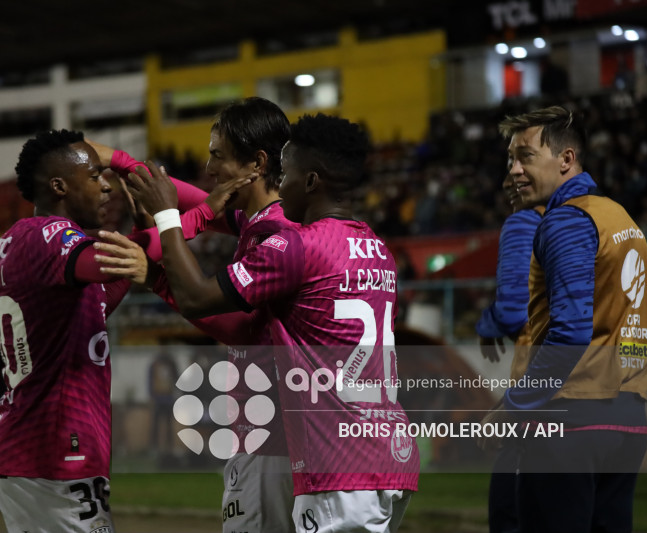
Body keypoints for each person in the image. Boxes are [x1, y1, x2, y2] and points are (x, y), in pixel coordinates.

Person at [97, 113, 420, 532]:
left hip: (307, 448)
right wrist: (126, 164)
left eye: (286, 173)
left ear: (304, 179)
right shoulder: (378, 249)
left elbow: (226, 316)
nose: (279, 185)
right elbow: (205, 206)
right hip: (385, 448)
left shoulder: (290, 241)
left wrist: (158, 256)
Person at [89, 96, 296, 533]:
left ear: (255, 164)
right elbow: (205, 202)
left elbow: (244, 330)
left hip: (271, 436)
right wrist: (124, 163)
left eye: (218, 155)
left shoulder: (276, 233)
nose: (210, 166)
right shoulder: (266, 221)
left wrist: (155, 278)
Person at [481, 106, 647, 533]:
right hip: (628, 424)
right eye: (510, 158)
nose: (514, 171)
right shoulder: (622, 220)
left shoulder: (565, 221)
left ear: (566, 159)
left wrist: (512, 409)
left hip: (568, 425)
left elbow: (570, 332)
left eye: (525, 156)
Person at [0, 129, 153, 533]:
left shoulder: (27, 241)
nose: (106, 184)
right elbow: (108, 264)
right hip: (49, 447)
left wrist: (150, 226)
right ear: (59, 185)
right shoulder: (46, 233)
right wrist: (166, 220)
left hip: (34, 442)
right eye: (94, 175)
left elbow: (105, 292)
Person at [476, 174, 544, 533]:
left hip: (540, 409)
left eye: (522, 158)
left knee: (507, 514)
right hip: (600, 405)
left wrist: (489, 323)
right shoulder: (602, 222)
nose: (508, 178)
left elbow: (514, 311)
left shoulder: (526, 222)